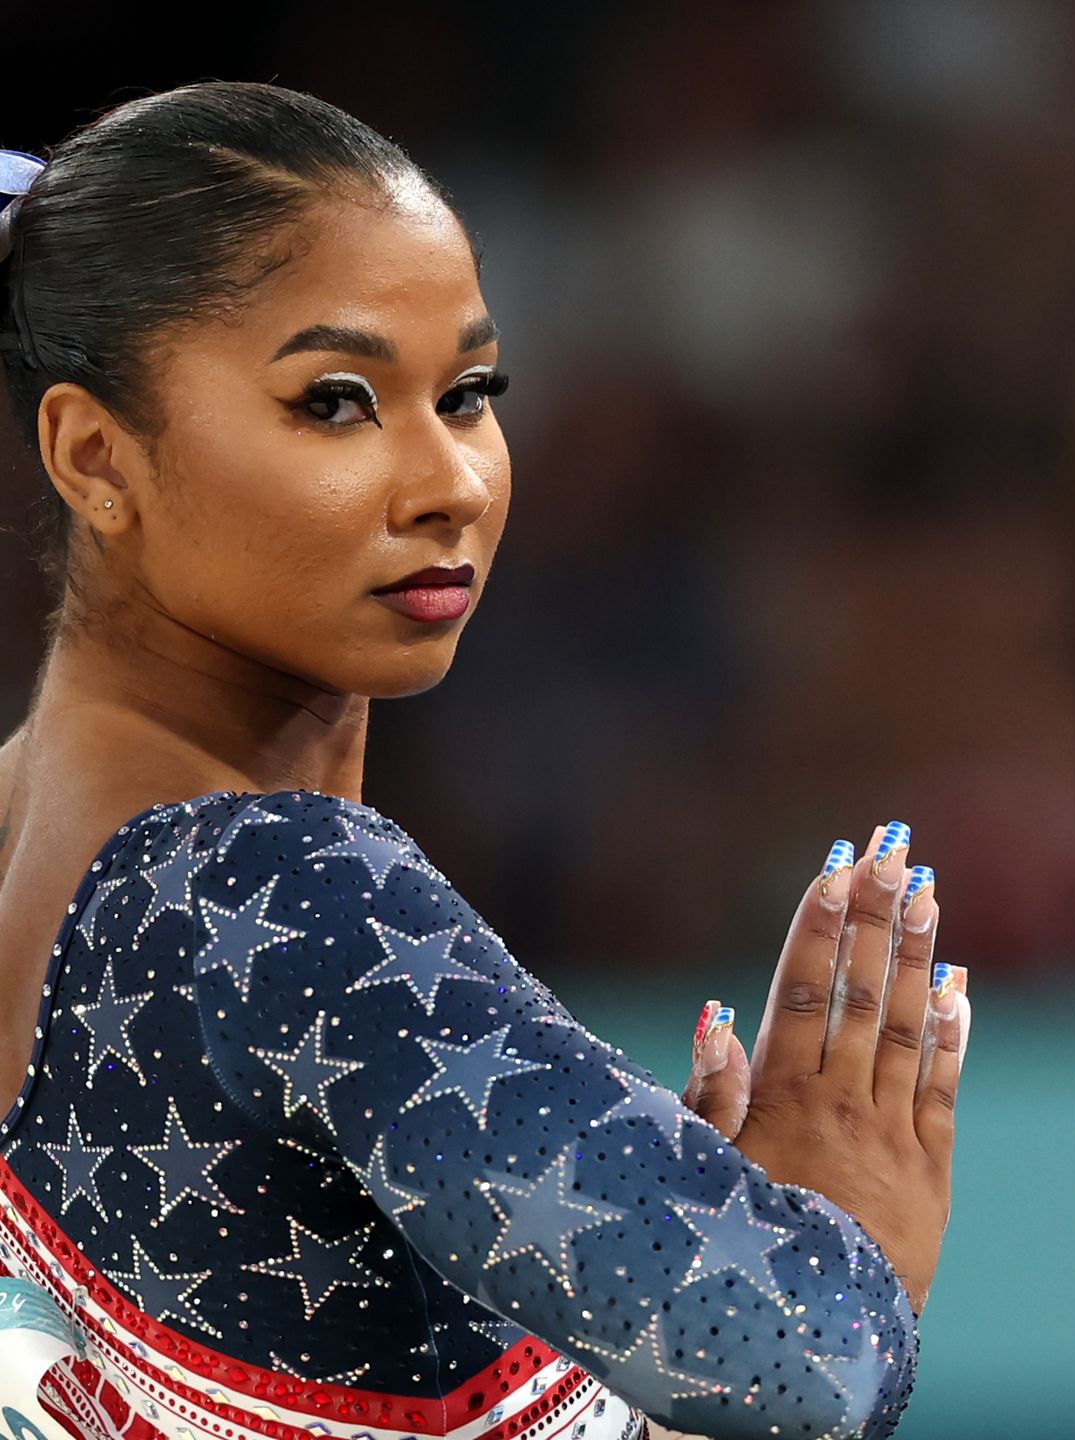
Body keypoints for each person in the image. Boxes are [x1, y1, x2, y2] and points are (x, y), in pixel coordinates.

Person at [0, 83, 969, 1440]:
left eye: (467, 392)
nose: (447, 478)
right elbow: (806, 1366)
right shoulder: (268, 889)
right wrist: (849, 1235)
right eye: (335, 402)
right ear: (94, 454)